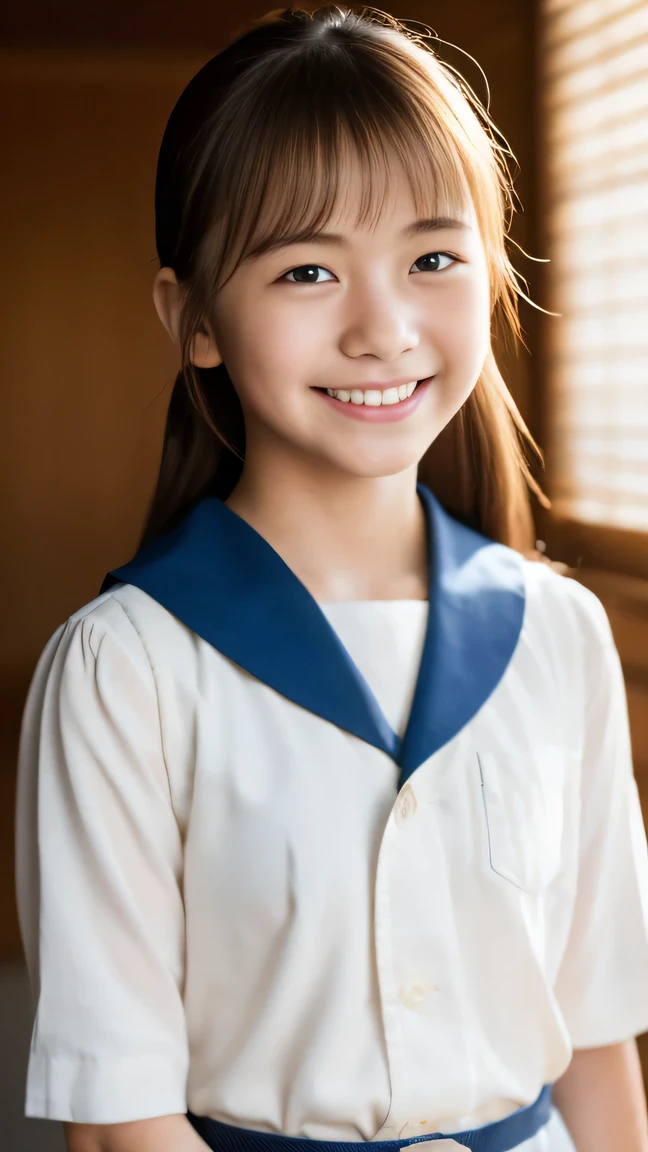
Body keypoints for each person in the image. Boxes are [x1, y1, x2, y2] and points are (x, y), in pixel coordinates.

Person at [14, 4, 648, 1151]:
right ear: (194, 319)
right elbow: (122, 1125)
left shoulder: (560, 633)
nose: (384, 327)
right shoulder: (125, 667)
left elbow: (599, 1048)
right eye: (308, 269)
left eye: (434, 258)